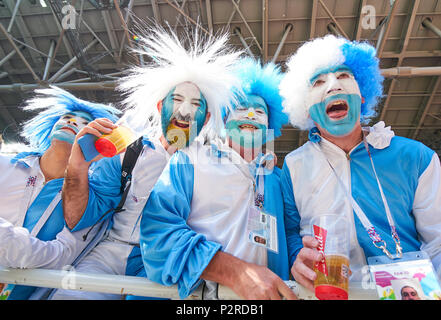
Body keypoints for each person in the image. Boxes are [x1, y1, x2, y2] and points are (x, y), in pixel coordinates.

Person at [51, 26, 242, 300]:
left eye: (196, 105)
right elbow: (78, 217)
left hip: (163, 266)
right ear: (159, 107)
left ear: (207, 118)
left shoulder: (212, 167)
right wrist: (77, 167)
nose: (185, 111)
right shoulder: (129, 150)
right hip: (106, 255)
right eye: (176, 100)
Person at [278, 34, 441, 293]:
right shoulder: (293, 166)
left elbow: (438, 242)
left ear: (362, 95)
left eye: (343, 76)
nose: (333, 86)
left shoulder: (415, 157)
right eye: (318, 82)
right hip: (327, 293)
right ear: (307, 108)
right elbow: (289, 233)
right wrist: (297, 256)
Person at [140, 57, 297, 300]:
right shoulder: (190, 159)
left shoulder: (275, 177)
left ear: (270, 125)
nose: (252, 114)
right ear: (224, 119)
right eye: (242, 107)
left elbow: (292, 235)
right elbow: (158, 232)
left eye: (261, 111)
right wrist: (235, 273)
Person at [0, 86, 120, 300]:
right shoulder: (5, 166)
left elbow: (62, 255)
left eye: (85, 124)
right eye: (67, 117)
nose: (73, 122)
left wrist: (7, 244)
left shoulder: (90, 200)